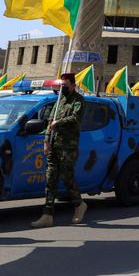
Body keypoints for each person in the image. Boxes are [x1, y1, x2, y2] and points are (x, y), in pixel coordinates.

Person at [32, 71, 86, 228]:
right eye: (61, 85)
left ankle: (79, 204)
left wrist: (59, 122)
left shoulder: (78, 100)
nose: (63, 88)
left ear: (73, 85)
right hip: (54, 144)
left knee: (67, 177)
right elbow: (50, 121)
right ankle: (47, 215)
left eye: (66, 85)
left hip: (68, 146)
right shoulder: (59, 101)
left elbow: (75, 118)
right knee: (50, 178)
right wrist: (46, 140)